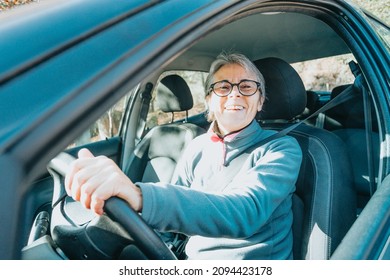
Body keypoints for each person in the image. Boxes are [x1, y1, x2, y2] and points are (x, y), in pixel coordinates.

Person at [65, 52, 302, 260]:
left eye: (247, 87)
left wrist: (140, 196)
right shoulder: (197, 146)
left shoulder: (282, 149)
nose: (235, 94)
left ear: (260, 101)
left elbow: (245, 211)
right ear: (209, 100)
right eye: (223, 87)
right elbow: (170, 226)